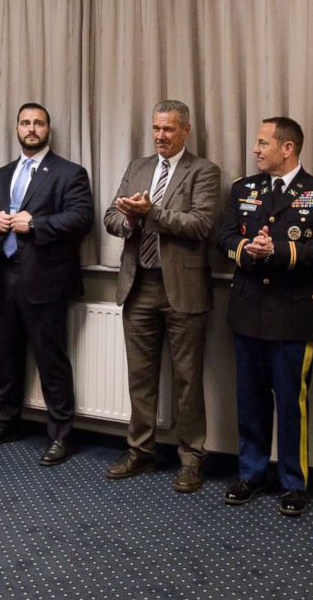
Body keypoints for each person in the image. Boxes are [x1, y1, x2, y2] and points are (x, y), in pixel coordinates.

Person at [215, 117, 313, 516]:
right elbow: (223, 237)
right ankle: (251, 474)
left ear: (287, 148)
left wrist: (277, 252)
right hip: (248, 308)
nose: (255, 149)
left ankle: (293, 483)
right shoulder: (243, 189)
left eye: (262, 142)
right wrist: (246, 248)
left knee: (292, 403)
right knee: (249, 399)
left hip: (293, 314)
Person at [102, 100, 220, 492]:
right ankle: (140, 450)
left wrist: (150, 213)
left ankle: (191, 458)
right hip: (139, 285)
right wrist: (129, 219)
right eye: (155, 129)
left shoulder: (204, 171)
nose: (160, 137)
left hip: (183, 289)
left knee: (187, 379)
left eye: (168, 130)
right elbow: (110, 217)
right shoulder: (138, 167)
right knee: (140, 376)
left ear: (185, 130)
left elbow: (200, 225)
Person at [0, 103, 94, 466]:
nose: (31, 128)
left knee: (51, 360)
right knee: (6, 357)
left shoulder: (69, 173)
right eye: (25, 122)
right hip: (2, 279)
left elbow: (81, 218)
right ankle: (5, 422)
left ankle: (60, 435)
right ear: (16, 128)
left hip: (46, 283)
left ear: (48, 129)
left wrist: (35, 224)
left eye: (38, 123)